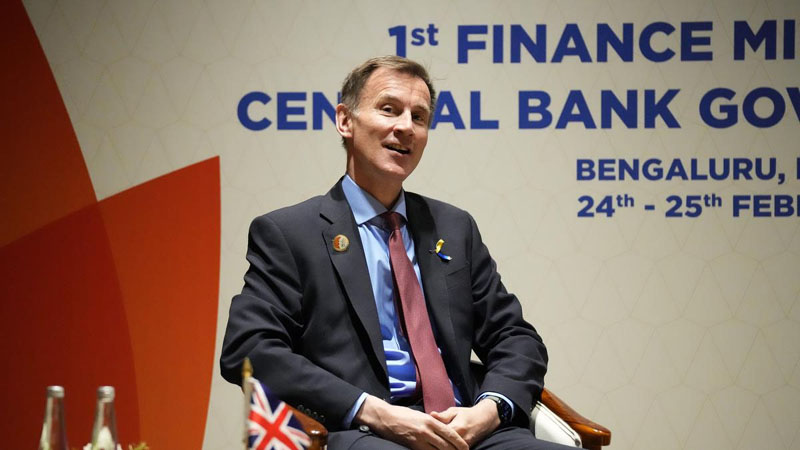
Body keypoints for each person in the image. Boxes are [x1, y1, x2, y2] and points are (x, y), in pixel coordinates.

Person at [221, 56, 570, 449]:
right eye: (389, 109)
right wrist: (370, 410)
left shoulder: (454, 228)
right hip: (367, 432)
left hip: (466, 431)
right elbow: (248, 348)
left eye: (419, 117)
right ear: (345, 121)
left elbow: (515, 337)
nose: (405, 126)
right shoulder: (290, 233)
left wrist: (489, 410)